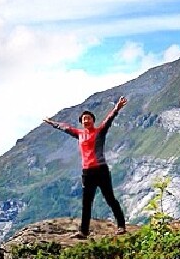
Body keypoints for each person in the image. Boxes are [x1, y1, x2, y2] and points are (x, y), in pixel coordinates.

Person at [44, 98, 127, 237]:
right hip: (87, 172)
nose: (86, 121)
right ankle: (83, 232)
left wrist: (117, 108)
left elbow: (108, 120)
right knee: (86, 202)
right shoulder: (79, 134)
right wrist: (51, 122)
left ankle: (121, 226)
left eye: (88, 118)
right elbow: (65, 128)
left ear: (93, 120)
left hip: (101, 170)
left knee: (110, 198)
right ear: (81, 123)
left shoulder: (99, 132)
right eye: (84, 119)